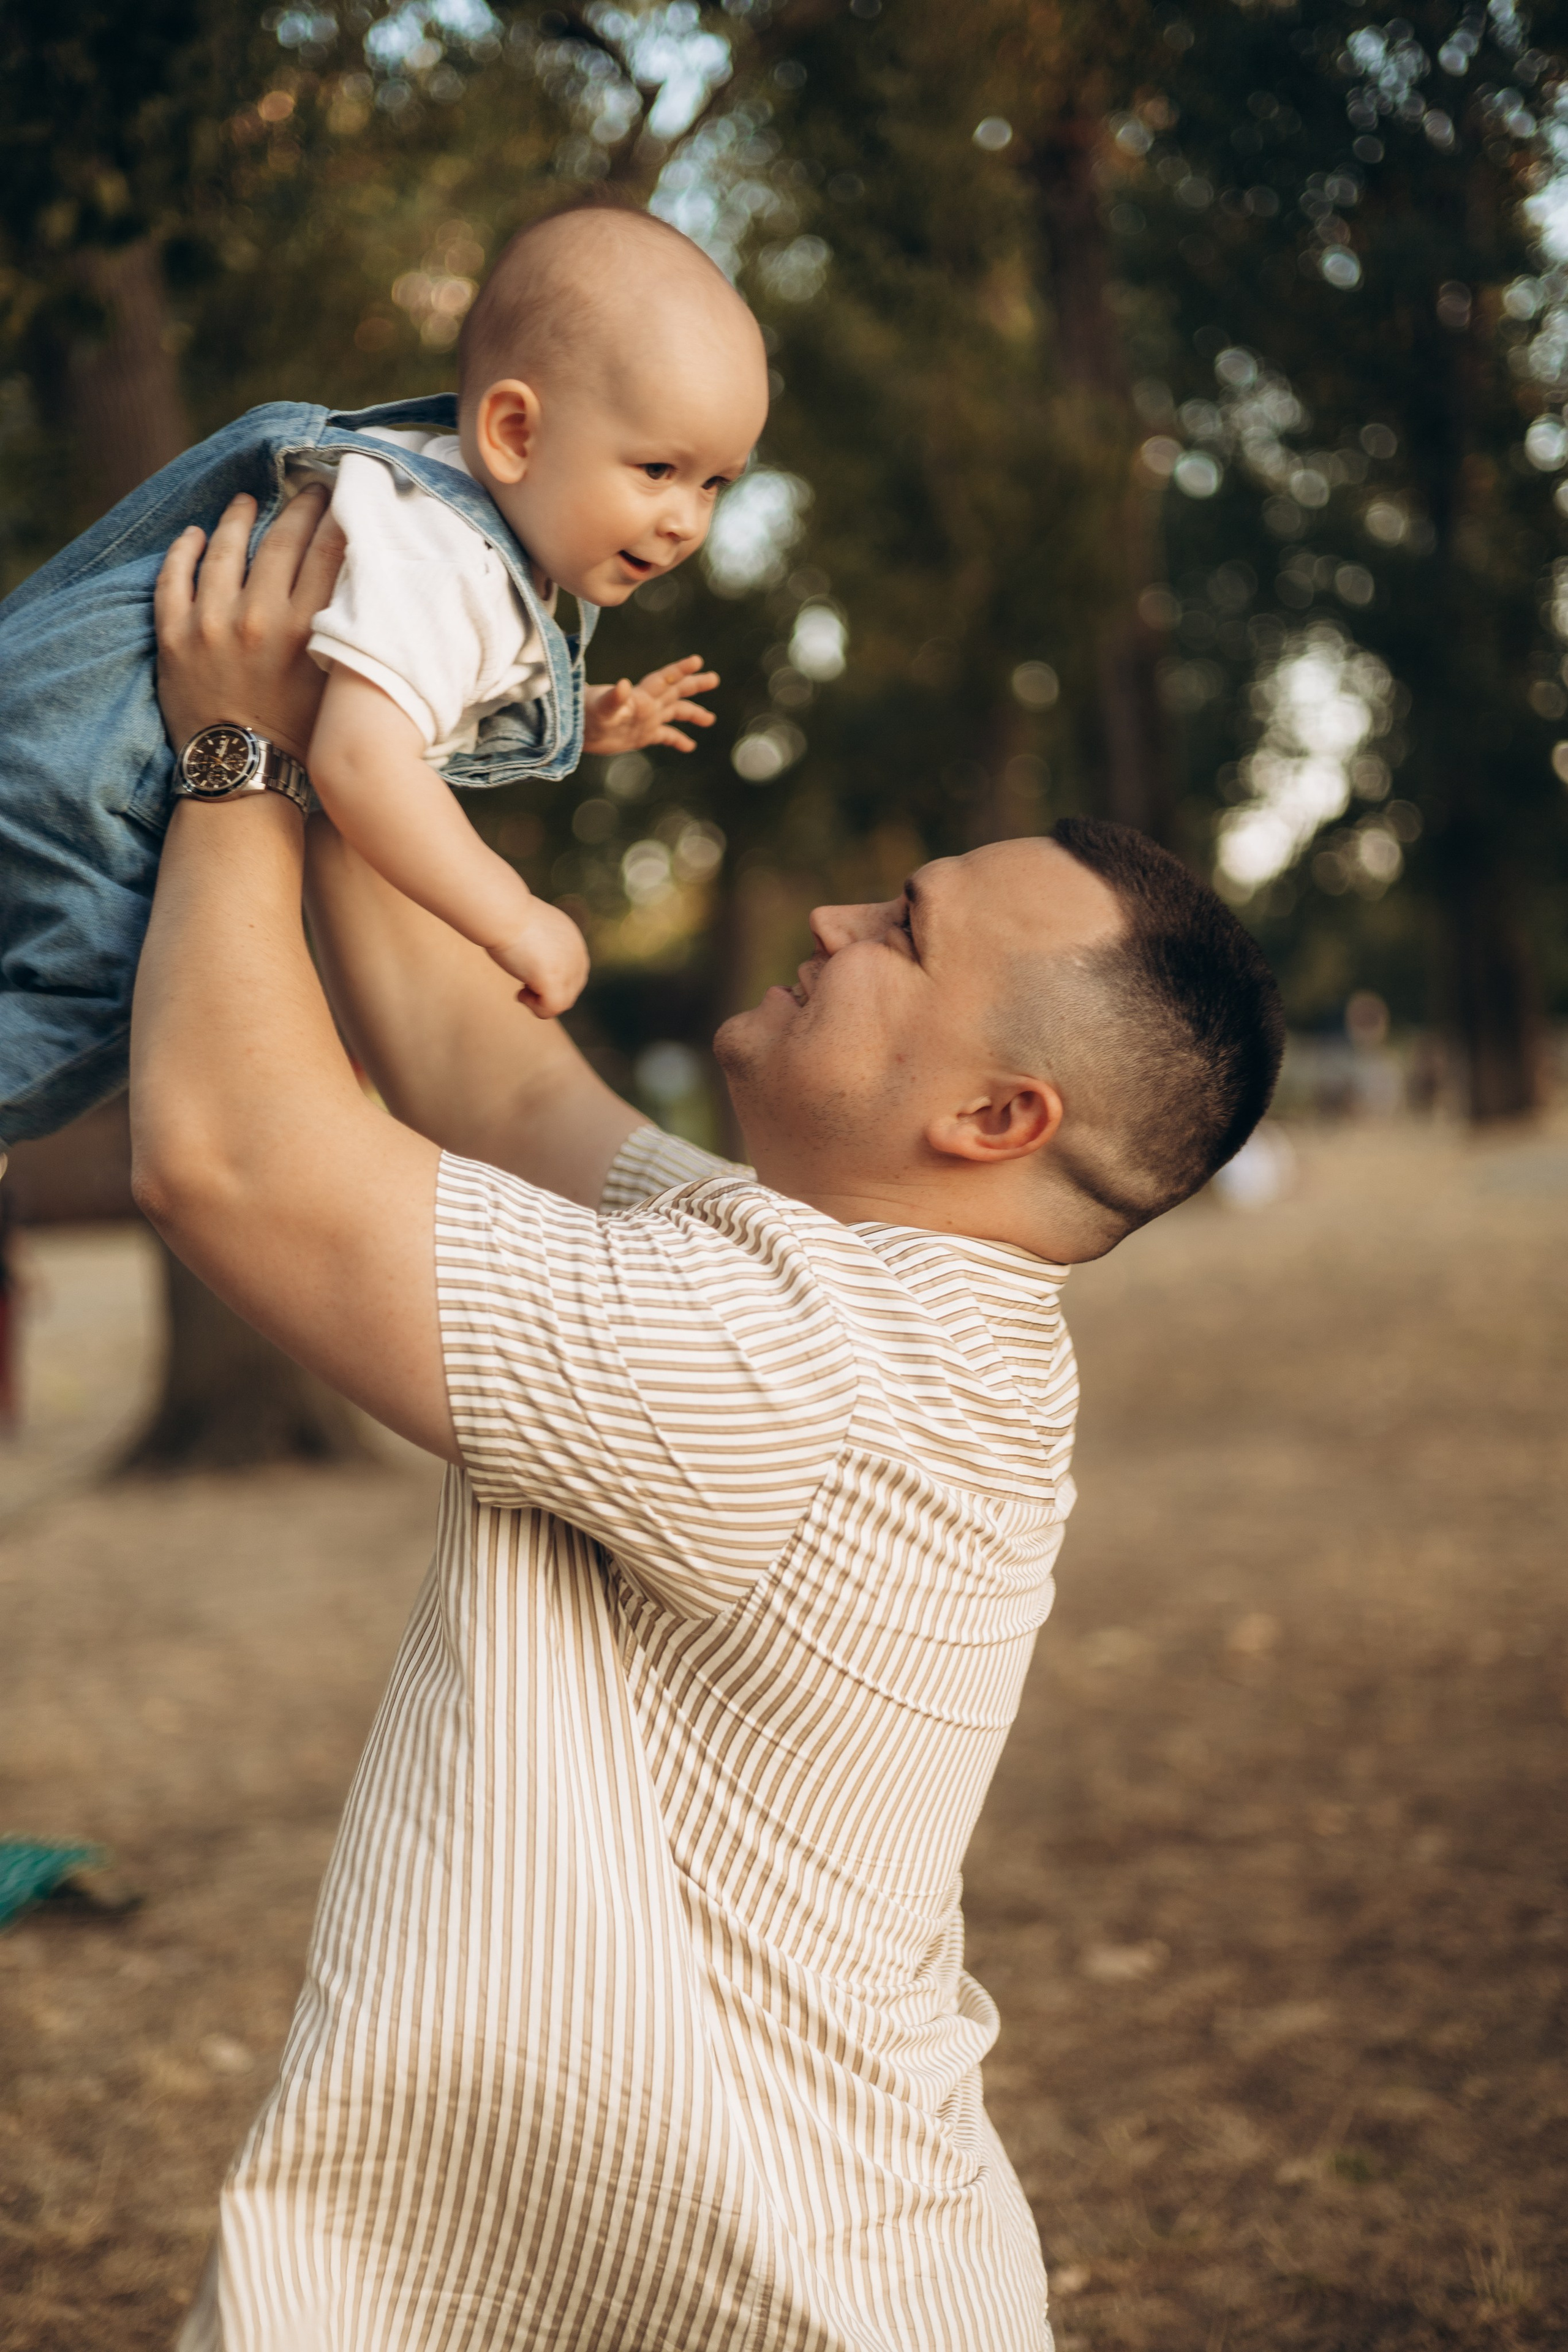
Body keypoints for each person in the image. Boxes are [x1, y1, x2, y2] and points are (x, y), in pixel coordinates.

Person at [134, 492, 1284, 2352]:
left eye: (903, 931)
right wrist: (365, 694)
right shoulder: (871, 1293)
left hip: (760, 2303)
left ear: (995, 1120)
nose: (835, 916)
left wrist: (234, 751)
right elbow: (487, 1075)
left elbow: (227, 1159)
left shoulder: (793, 1362)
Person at [0, 205, 766, 1140]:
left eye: (714, 483)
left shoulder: (421, 498)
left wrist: (591, 715)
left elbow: (415, 688)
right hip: (98, 770)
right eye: (657, 469)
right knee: (128, 990)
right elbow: (363, 762)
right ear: (516, 435)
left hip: (60, 715)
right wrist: (512, 915)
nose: (688, 520)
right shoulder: (457, 565)